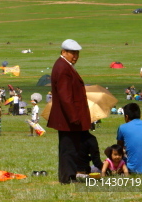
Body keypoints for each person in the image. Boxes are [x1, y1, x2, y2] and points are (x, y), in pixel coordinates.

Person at [47, 38, 99, 184]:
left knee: (71, 147)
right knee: (68, 149)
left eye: (77, 53)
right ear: (64, 52)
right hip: (68, 118)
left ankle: (69, 175)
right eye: (72, 53)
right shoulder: (63, 68)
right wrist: (74, 116)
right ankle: (67, 177)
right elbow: (65, 97)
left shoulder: (64, 65)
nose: (75, 56)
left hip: (68, 117)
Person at [116, 103, 142, 174]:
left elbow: (119, 149)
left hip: (133, 169)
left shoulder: (122, 127)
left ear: (126, 116)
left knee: (110, 151)